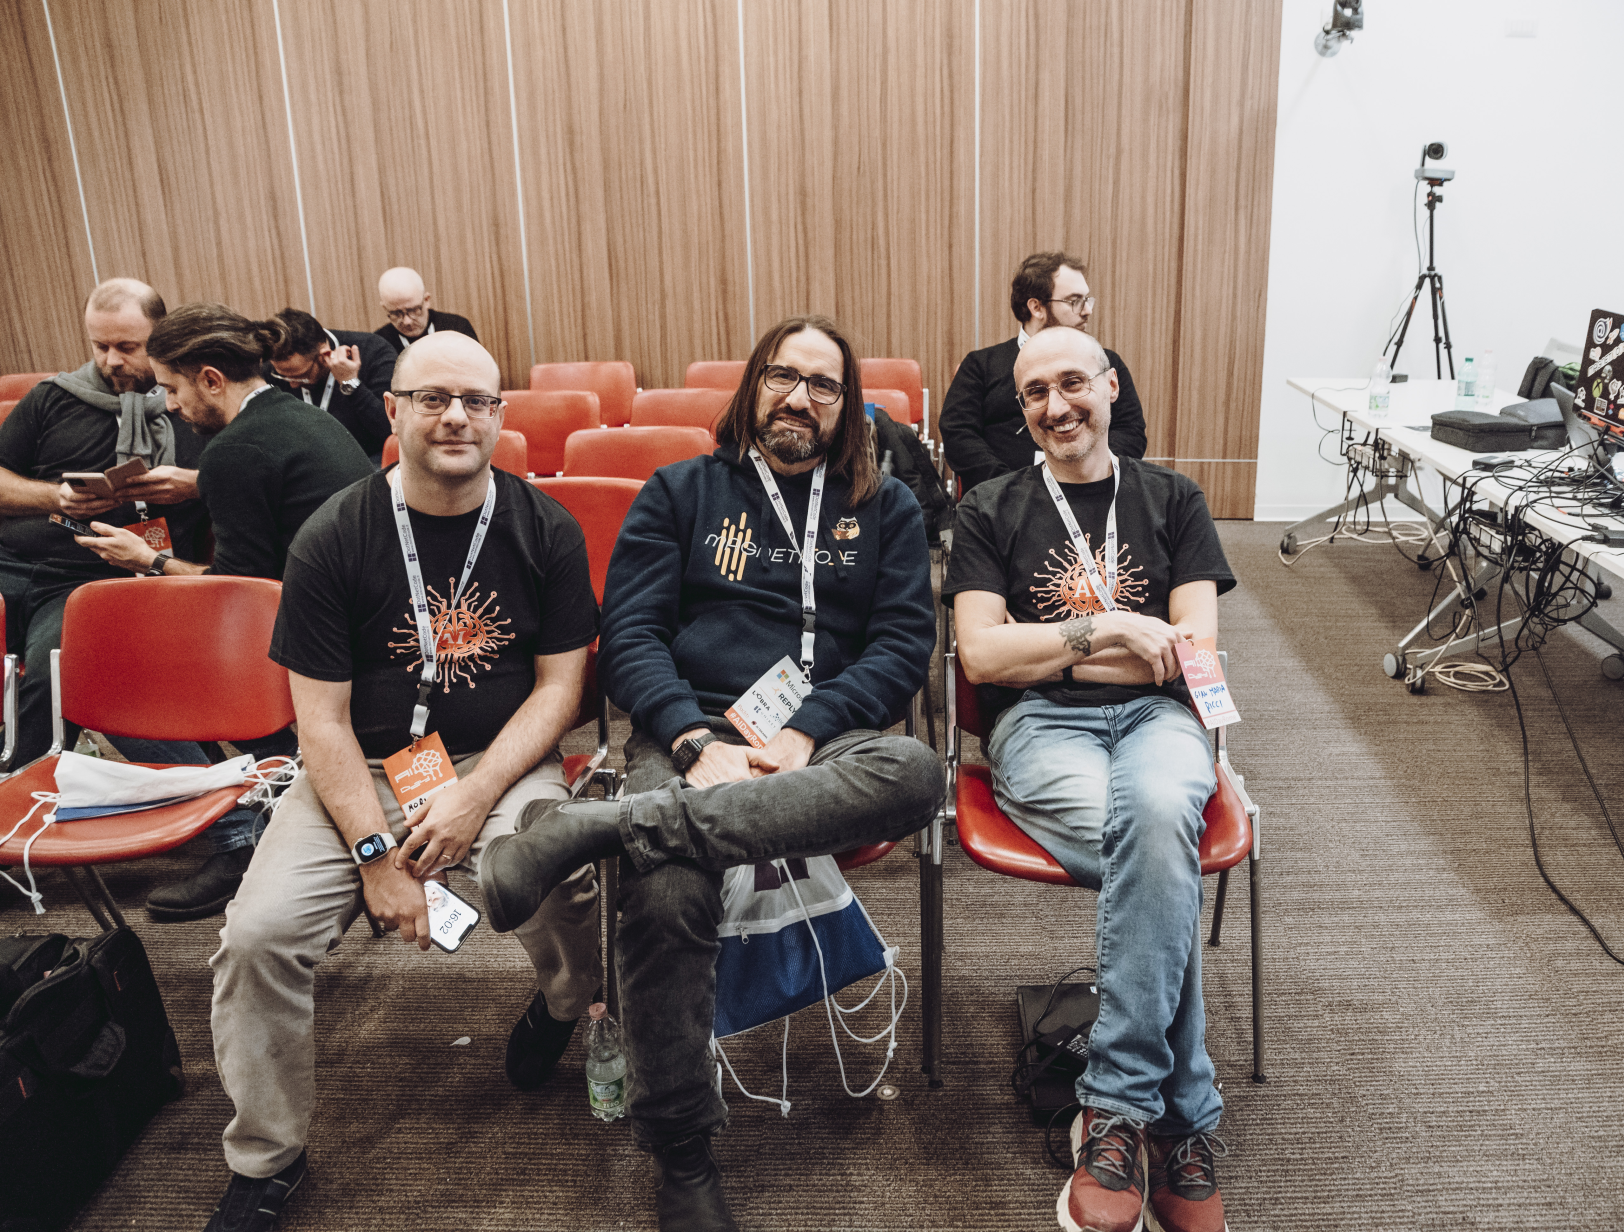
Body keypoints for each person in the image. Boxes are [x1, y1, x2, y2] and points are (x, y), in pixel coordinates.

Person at [477, 314, 943, 1232]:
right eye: (783, 376)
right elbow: (632, 638)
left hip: (823, 744)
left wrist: (805, 731)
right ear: (753, 385)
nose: (800, 397)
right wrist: (693, 740)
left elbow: (900, 647)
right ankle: (682, 1149)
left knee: (918, 771)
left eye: (824, 384)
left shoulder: (885, 505)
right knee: (663, 892)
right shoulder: (681, 491)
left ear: (847, 405)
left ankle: (604, 826)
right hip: (686, 728)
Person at [202, 332, 603, 1232]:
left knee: (560, 873)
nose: (456, 416)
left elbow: (559, 690)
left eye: (476, 400)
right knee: (257, 936)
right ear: (392, 410)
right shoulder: (334, 534)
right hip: (361, 769)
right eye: (432, 398)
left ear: (499, 415)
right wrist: (377, 855)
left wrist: (475, 794)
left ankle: (562, 1002)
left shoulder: (545, 528)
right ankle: (267, 1158)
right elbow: (320, 722)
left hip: (499, 761)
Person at [945, 325, 1237, 1232]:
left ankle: (1113, 1107)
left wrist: (1043, 648)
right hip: (1037, 726)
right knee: (1159, 845)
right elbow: (981, 657)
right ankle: (1182, 1118)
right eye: (1035, 393)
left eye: (1073, 383)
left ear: (1111, 387)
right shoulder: (989, 507)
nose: (1056, 406)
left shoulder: (1173, 497)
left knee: (1155, 817)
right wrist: (1111, 632)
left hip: (1162, 719)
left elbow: (1193, 654)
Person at [73, 303, 373, 920]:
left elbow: (236, 593)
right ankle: (263, 803)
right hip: (357, 623)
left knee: (125, 683)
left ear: (211, 379)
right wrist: (200, 482)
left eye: (172, 389)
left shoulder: (236, 450)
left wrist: (146, 560)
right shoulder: (294, 414)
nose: (170, 405)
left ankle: (240, 834)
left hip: (317, 644)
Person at [0, 278, 211, 772]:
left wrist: (193, 486)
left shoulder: (193, 406)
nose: (111, 360)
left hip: (94, 578)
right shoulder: (53, 398)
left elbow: (243, 487)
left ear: (162, 337)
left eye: (128, 347)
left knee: (57, 673)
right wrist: (55, 496)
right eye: (100, 346)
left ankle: (17, 789)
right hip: (11, 562)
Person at [939, 251, 1148, 490]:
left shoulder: (1105, 362)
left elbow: (1130, 431)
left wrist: (1087, 478)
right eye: (1074, 300)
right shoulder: (980, 365)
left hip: (1090, 494)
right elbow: (958, 435)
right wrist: (1011, 489)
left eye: (1087, 299)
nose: (1087, 310)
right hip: (1004, 498)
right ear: (1036, 307)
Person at [268, 308, 395, 460]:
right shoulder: (274, 364)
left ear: (325, 355)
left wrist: (350, 384)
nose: (293, 385)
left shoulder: (374, 350)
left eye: (301, 377)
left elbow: (390, 428)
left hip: (369, 459)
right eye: (282, 376)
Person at [373, 266, 479, 356]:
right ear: (385, 308)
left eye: (413, 310)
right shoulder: (378, 344)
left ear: (426, 300)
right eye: (396, 313)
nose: (407, 321)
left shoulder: (457, 328)